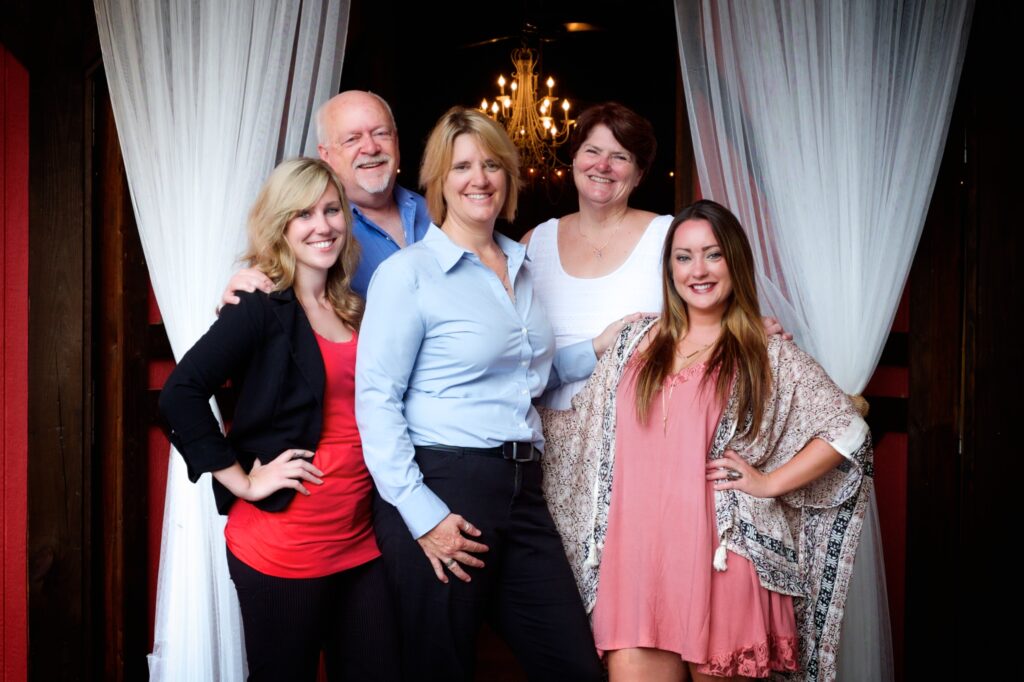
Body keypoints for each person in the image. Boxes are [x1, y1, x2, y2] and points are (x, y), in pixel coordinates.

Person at [541, 200, 872, 682]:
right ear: (669, 266)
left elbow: (848, 429)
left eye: (713, 255)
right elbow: (577, 432)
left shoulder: (763, 350)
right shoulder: (634, 343)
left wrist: (770, 482)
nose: (698, 270)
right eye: (683, 256)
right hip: (637, 572)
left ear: (734, 261)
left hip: (722, 564)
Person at [355, 106, 613, 681]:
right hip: (444, 485)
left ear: (509, 176)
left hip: (522, 490)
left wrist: (600, 345)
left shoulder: (522, 264)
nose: (480, 178)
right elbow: (376, 401)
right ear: (439, 181)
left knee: (573, 667)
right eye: (463, 166)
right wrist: (424, 517)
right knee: (440, 669)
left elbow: (529, 375)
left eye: (493, 164)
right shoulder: (409, 273)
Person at [159, 158, 400, 681]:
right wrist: (243, 480)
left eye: (332, 210)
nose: (323, 226)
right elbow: (180, 393)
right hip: (284, 549)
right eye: (303, 214)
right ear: (281, 226)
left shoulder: (353, 306)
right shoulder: (259, 304)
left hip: (361, 543)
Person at [522, 102, 784, 409]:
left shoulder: (669, 236)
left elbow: (711, 316)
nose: (603, 165)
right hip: (547, 436)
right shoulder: (533, 244)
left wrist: (741, 330)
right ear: (575, 159)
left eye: (620, 157)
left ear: (638, 175)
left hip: (645, 425)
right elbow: (513, 364)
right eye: (592, 151)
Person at [224, 90, 431, 301]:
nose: (370, 147)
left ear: (396, 140)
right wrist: (243, 298)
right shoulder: (317, 232)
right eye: (352, 139)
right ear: (325, 155)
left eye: (381, 133)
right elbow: (269, 286)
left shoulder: (435, 212)